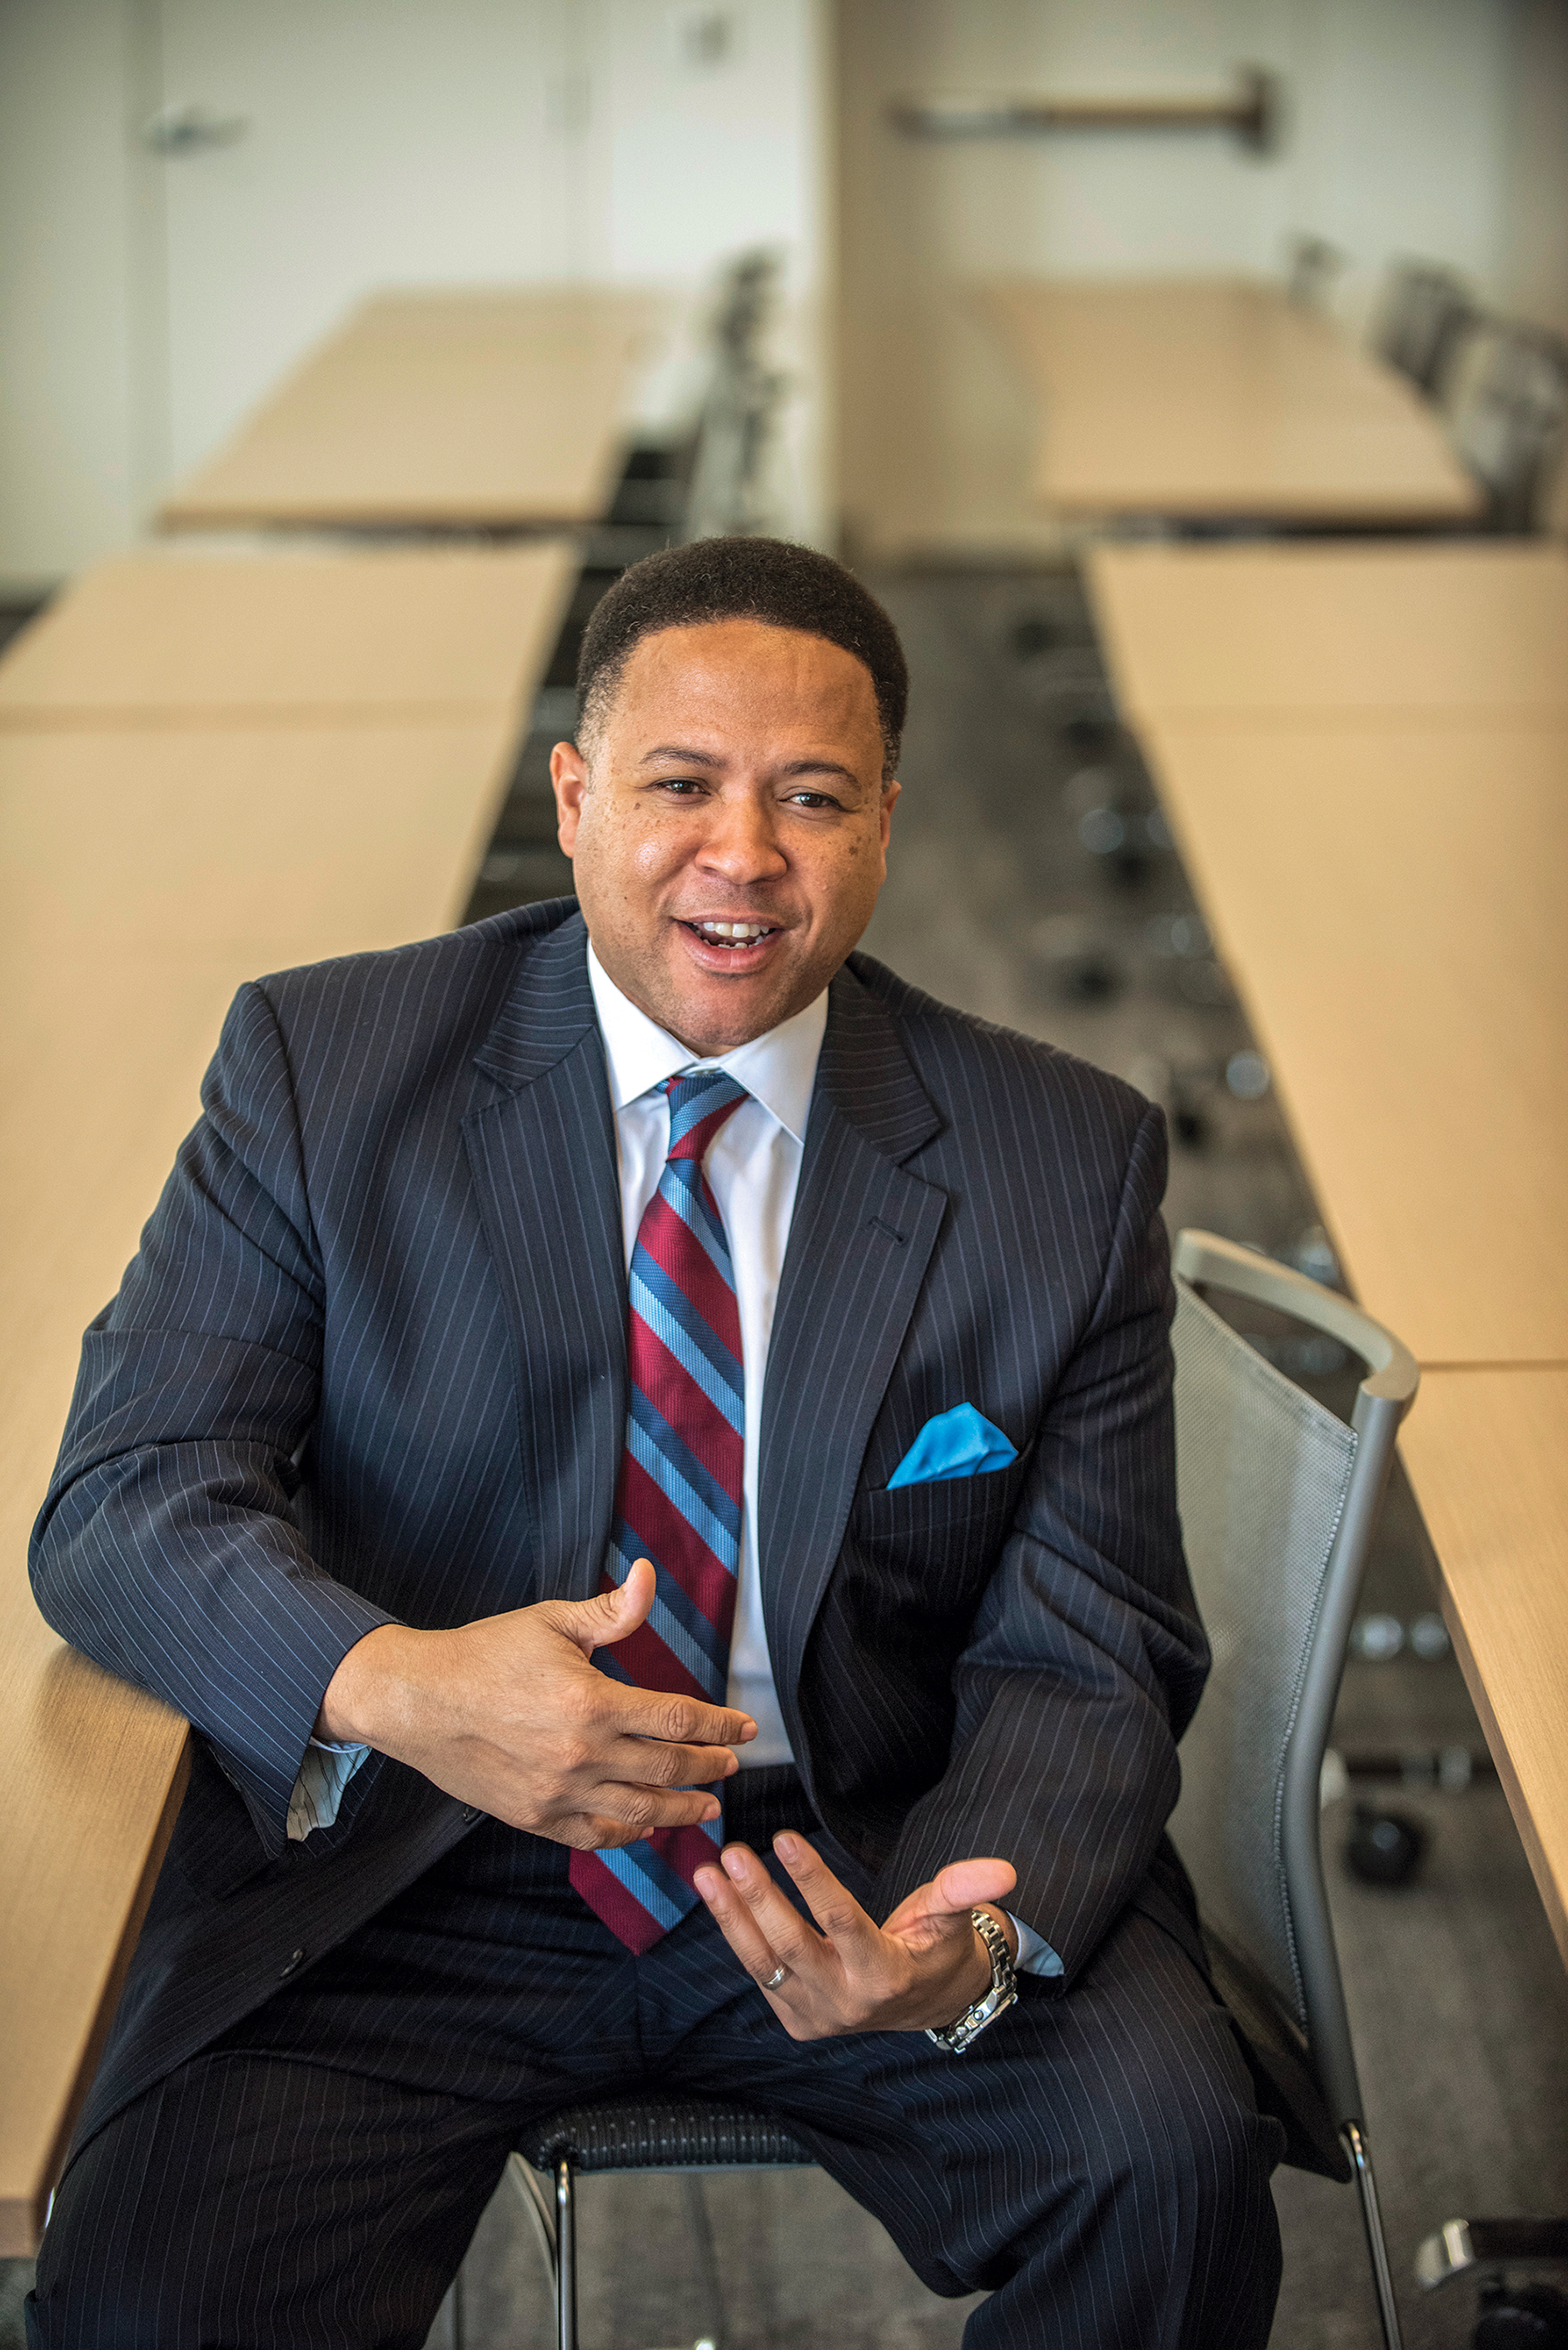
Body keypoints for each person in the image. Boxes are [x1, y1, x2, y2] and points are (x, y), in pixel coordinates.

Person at [27, 538, 1283, 2348]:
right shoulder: (326, 1064)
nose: (745, 855)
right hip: (411, 1861)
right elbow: (125, 1496)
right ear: (574, 796)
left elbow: (1090, 1639)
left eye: (814, 799)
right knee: (159, 2289)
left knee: (1163, 2172)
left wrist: (965, 1926)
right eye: (681, 784)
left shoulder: (1058, 1156)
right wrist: (395, 1681)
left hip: (857, 1837)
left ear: (888, 823)